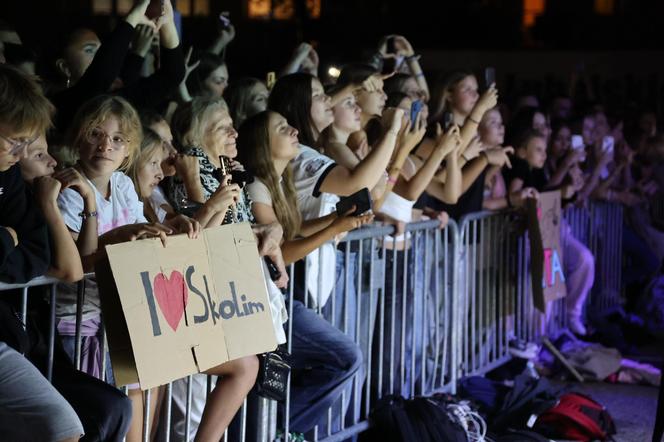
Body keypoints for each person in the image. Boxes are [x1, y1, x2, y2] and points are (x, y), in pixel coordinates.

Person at [503, 129, 595, 335]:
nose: (543, 154)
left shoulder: (539, 170)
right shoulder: (520, 169)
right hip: (534, 236)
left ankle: (560, 324)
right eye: (538, 149)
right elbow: (516, 197)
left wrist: (568, 192)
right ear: (522, 151)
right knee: (543, 289)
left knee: (579, 264)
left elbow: (549, 198)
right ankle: (536, 343)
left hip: (551, 232)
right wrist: (559, 192)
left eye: (545, 149)